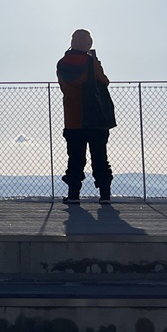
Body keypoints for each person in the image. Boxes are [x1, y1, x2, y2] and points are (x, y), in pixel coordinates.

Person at [56, 29, 114, 203]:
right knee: (99, 157)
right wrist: (95, 62)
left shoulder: (62, 63)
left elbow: (65, 86)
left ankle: (73, 194)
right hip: (94, 117)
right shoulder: (91, 62)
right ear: (88, 44)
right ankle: (104, 195)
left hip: (73, 118)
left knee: (75, 158)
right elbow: (104, 80)